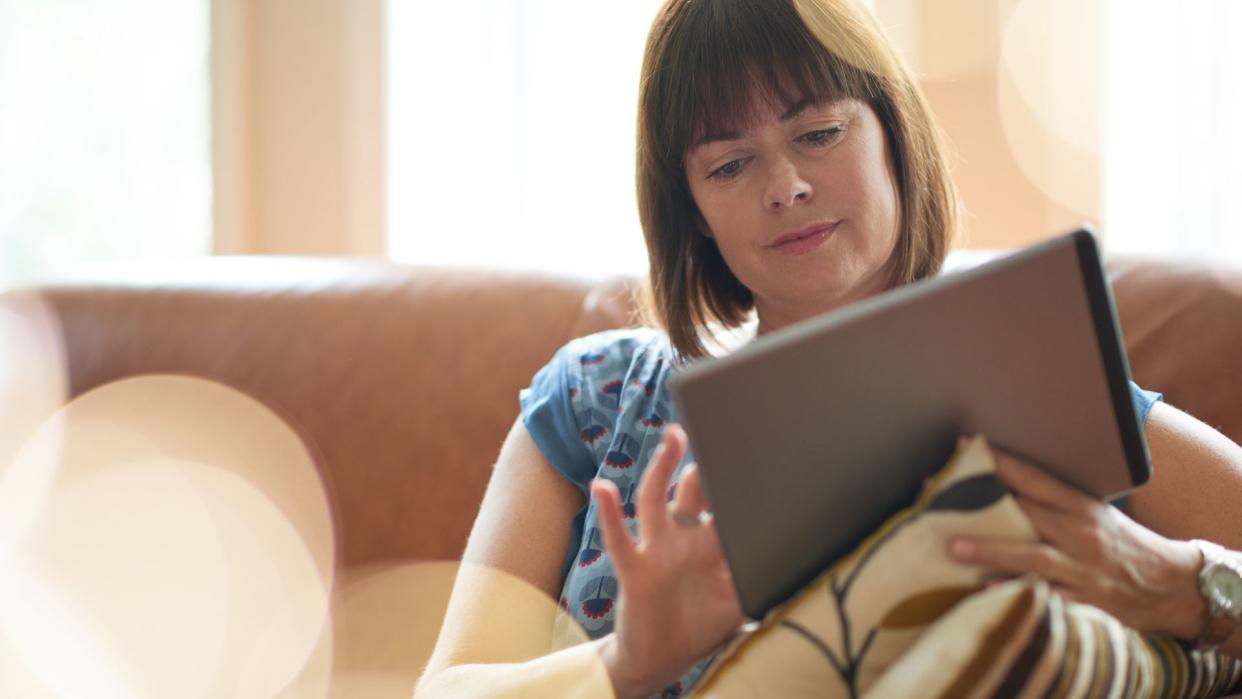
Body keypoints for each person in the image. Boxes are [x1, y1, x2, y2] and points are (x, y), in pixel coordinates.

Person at [416, 1, 1242, 697]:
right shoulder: (598, 400)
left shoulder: (1033, 374)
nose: (785, 187)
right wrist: (628, 660)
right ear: (694, 211)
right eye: (731, 163)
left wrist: (1179, 584)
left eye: (817, 133)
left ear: (890, 131)